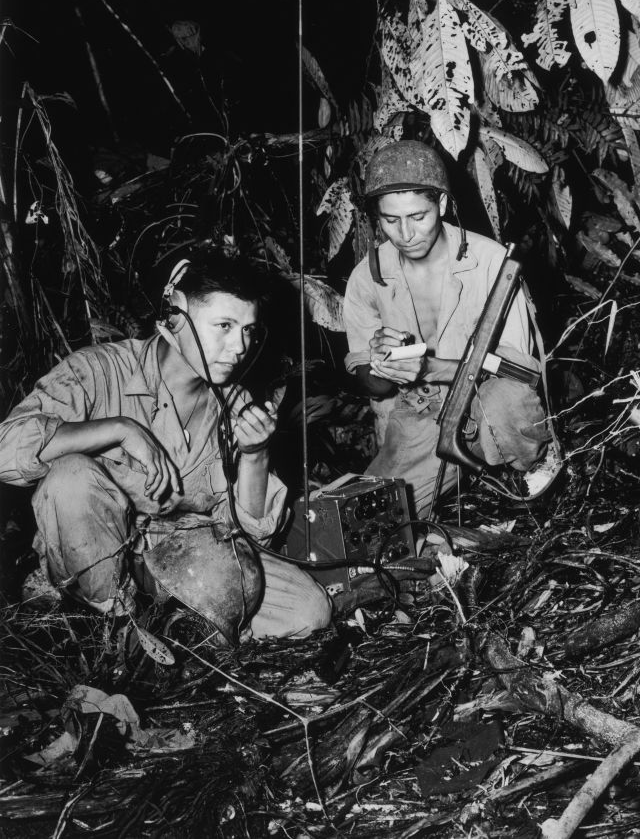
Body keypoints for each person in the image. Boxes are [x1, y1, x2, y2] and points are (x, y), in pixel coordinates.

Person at [0, 249, 331, 643]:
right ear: (174, 318)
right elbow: (8, 448)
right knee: (69, 475)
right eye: (223, 325)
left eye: (248, 330)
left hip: (188, 555)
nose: (239, 346)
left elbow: (250, 533)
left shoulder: (237, 406)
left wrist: (256, 454)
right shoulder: (99, 371)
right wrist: (120, 429)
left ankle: (174, 626)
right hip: (100, 551)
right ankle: (113, 628)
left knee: (308, 610)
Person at [343, 140, 553, 520]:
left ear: (440, 204)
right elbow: (370, 385)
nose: (406, 233)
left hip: (484, 402)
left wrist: (429, 367)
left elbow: (521, 372)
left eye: (418, 216)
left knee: (506, 403)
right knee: (368, 520)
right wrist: (380, 366)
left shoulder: (491, 262)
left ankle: (528, 468)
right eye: (391, 220)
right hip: (417, 415)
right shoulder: (367, 278)